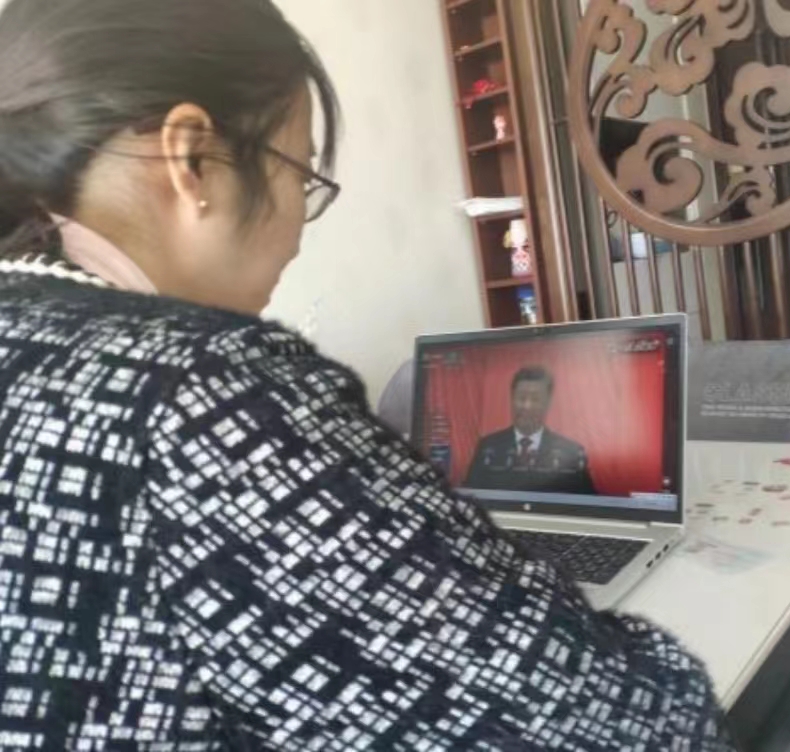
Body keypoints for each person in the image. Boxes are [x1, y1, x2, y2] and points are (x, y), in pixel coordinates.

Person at [0, 0, 734, 749]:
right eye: (300, 176)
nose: (296, 232)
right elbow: (614, 725)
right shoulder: (199, 390)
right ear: (193, 162)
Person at [464, 366, 597, 495]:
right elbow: (469, 498)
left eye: (535, 399)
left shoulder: (571, 452)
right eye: (521, 398)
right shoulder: (488, 447)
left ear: (548, 403)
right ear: (511, 399)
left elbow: (588, 503)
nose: (527, 406)